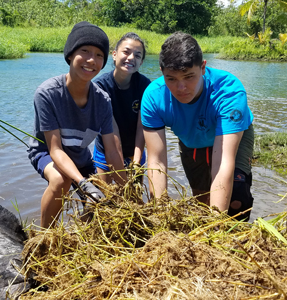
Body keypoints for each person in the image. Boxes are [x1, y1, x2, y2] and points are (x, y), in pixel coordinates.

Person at [141, 32, 254, 221]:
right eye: (172, 79)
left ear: (203, 67)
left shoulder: (229, 91)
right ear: (161, 72)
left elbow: (223, 162)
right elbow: (157, 162)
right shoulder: (153, 97)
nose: (181, 88)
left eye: (188, 76)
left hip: (233, 134)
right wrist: (160, 216)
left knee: (237, 197)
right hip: (191, 138)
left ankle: (232, 239)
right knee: (202, 200)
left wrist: (215, 225)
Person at [28, 21, 126, 228]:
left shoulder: (102, 101)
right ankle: (45, 238)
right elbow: (55, 150)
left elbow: (112, 151)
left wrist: (127, 189)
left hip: (81, 159)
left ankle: (82, 236)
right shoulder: (47, 93)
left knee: (103, 193)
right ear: (71, 54)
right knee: (61, 181)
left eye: (99, 55)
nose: (92, 60)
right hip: (48, 154)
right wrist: (82, 183)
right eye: (85, 51)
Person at [93, 32, 151, 183]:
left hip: (134, 151)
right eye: (126, 52)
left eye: (137, 56)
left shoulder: (145, 86)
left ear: (141, 62)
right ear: (114, 54)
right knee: (106, 198)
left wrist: (137, 163)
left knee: (134, 198)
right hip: (106, 149)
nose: (131, 58)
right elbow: (113, 136)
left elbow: (142, 127)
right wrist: (123, 179)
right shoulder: (100, 87)